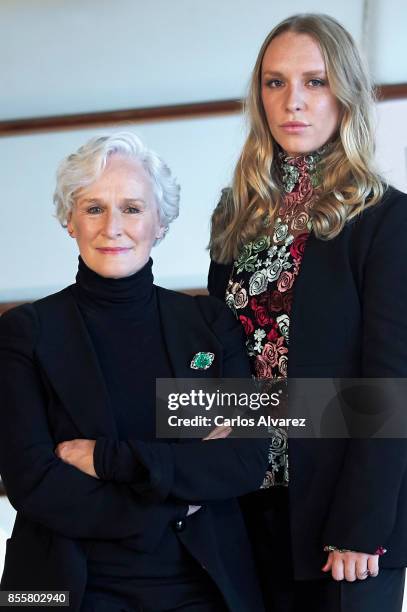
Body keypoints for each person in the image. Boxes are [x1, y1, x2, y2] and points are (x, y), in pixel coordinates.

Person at [0, 132, 269, 612]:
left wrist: (108, 460)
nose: (113, 228)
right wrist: (171, 504)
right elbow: (32, 481)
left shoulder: (209, 325)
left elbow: (242, 461)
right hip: (59, 591)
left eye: (131, 208)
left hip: (203, 586)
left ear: (160, 221)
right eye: (94, 208)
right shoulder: (24, 332)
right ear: (69, 220)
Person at [208, 13, 407, 612]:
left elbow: (391, 380)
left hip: (345, 526)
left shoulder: (385, 219)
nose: (292, 101)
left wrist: (361, 521)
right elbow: (218, 352)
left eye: (314, 82)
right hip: (245, 500)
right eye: (275, 82)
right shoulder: (235, 214)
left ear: (344, 94)